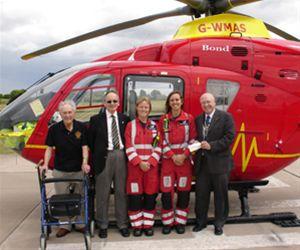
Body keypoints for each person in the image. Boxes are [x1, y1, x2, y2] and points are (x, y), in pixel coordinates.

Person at [40, 100, 90, 238]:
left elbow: (84, 147)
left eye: (70, 112)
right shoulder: (54, 130)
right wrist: (45, 164)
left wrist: (84, 162)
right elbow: (49, 149)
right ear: (60, 114)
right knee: (62, 198)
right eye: (64, 113)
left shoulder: (81, 127)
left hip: (78, 169)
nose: (67, 115)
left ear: (74, 112)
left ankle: (80, 223)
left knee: (80, 197)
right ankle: (65, 225)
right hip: (61, 169)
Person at [88, 90, 130, 238]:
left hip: (121, 156)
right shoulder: (95, 120)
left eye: (115, 101)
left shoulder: (125, 118)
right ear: (104, 103)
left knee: (121, 192)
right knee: (102, 193)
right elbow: (91, 144)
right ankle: (103, 224)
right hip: (104, 157)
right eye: (109, 101)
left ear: (118, 103)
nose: (112, 104)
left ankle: (123, 223)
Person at [193, 93, 235, 236]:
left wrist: (211, 146)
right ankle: (201, 222)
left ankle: (219, 223)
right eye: (203, 102)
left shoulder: (226, 117)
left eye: (208, 102)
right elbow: (197, 137)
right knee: (201, 195)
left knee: (220, 195)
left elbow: (229, 138)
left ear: (214, 102)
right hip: (202, 164)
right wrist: (194, 143)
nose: (206, 104)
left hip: (220, 163)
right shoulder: (198, 119)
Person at [159, 91, 196, 234]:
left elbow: (193, 139)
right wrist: (172, 155)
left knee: (183, 192)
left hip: (184, 162)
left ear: (181, 102)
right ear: (169, 103)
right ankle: (167, 223)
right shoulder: (164, 120)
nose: (175, 102)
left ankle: (180, 222)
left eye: (177, 100)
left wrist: (184, 155)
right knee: (167, 192)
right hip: (169, 162)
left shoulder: (189, 118)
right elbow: (160, 140)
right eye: (172, 100)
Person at [125, 97, 161, 237]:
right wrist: (140, 162)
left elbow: (158, 146)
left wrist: (150, 162)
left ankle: (147, 225)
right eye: (141, 107)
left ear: (149, 109)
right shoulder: (130, 126)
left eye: (146, 107)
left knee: (150, 197)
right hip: (135, 168)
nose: (143, 109)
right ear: (137, 108)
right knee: (135, 197)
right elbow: (128, 146)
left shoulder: (154, 126)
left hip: (150, 169)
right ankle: (137, 226)